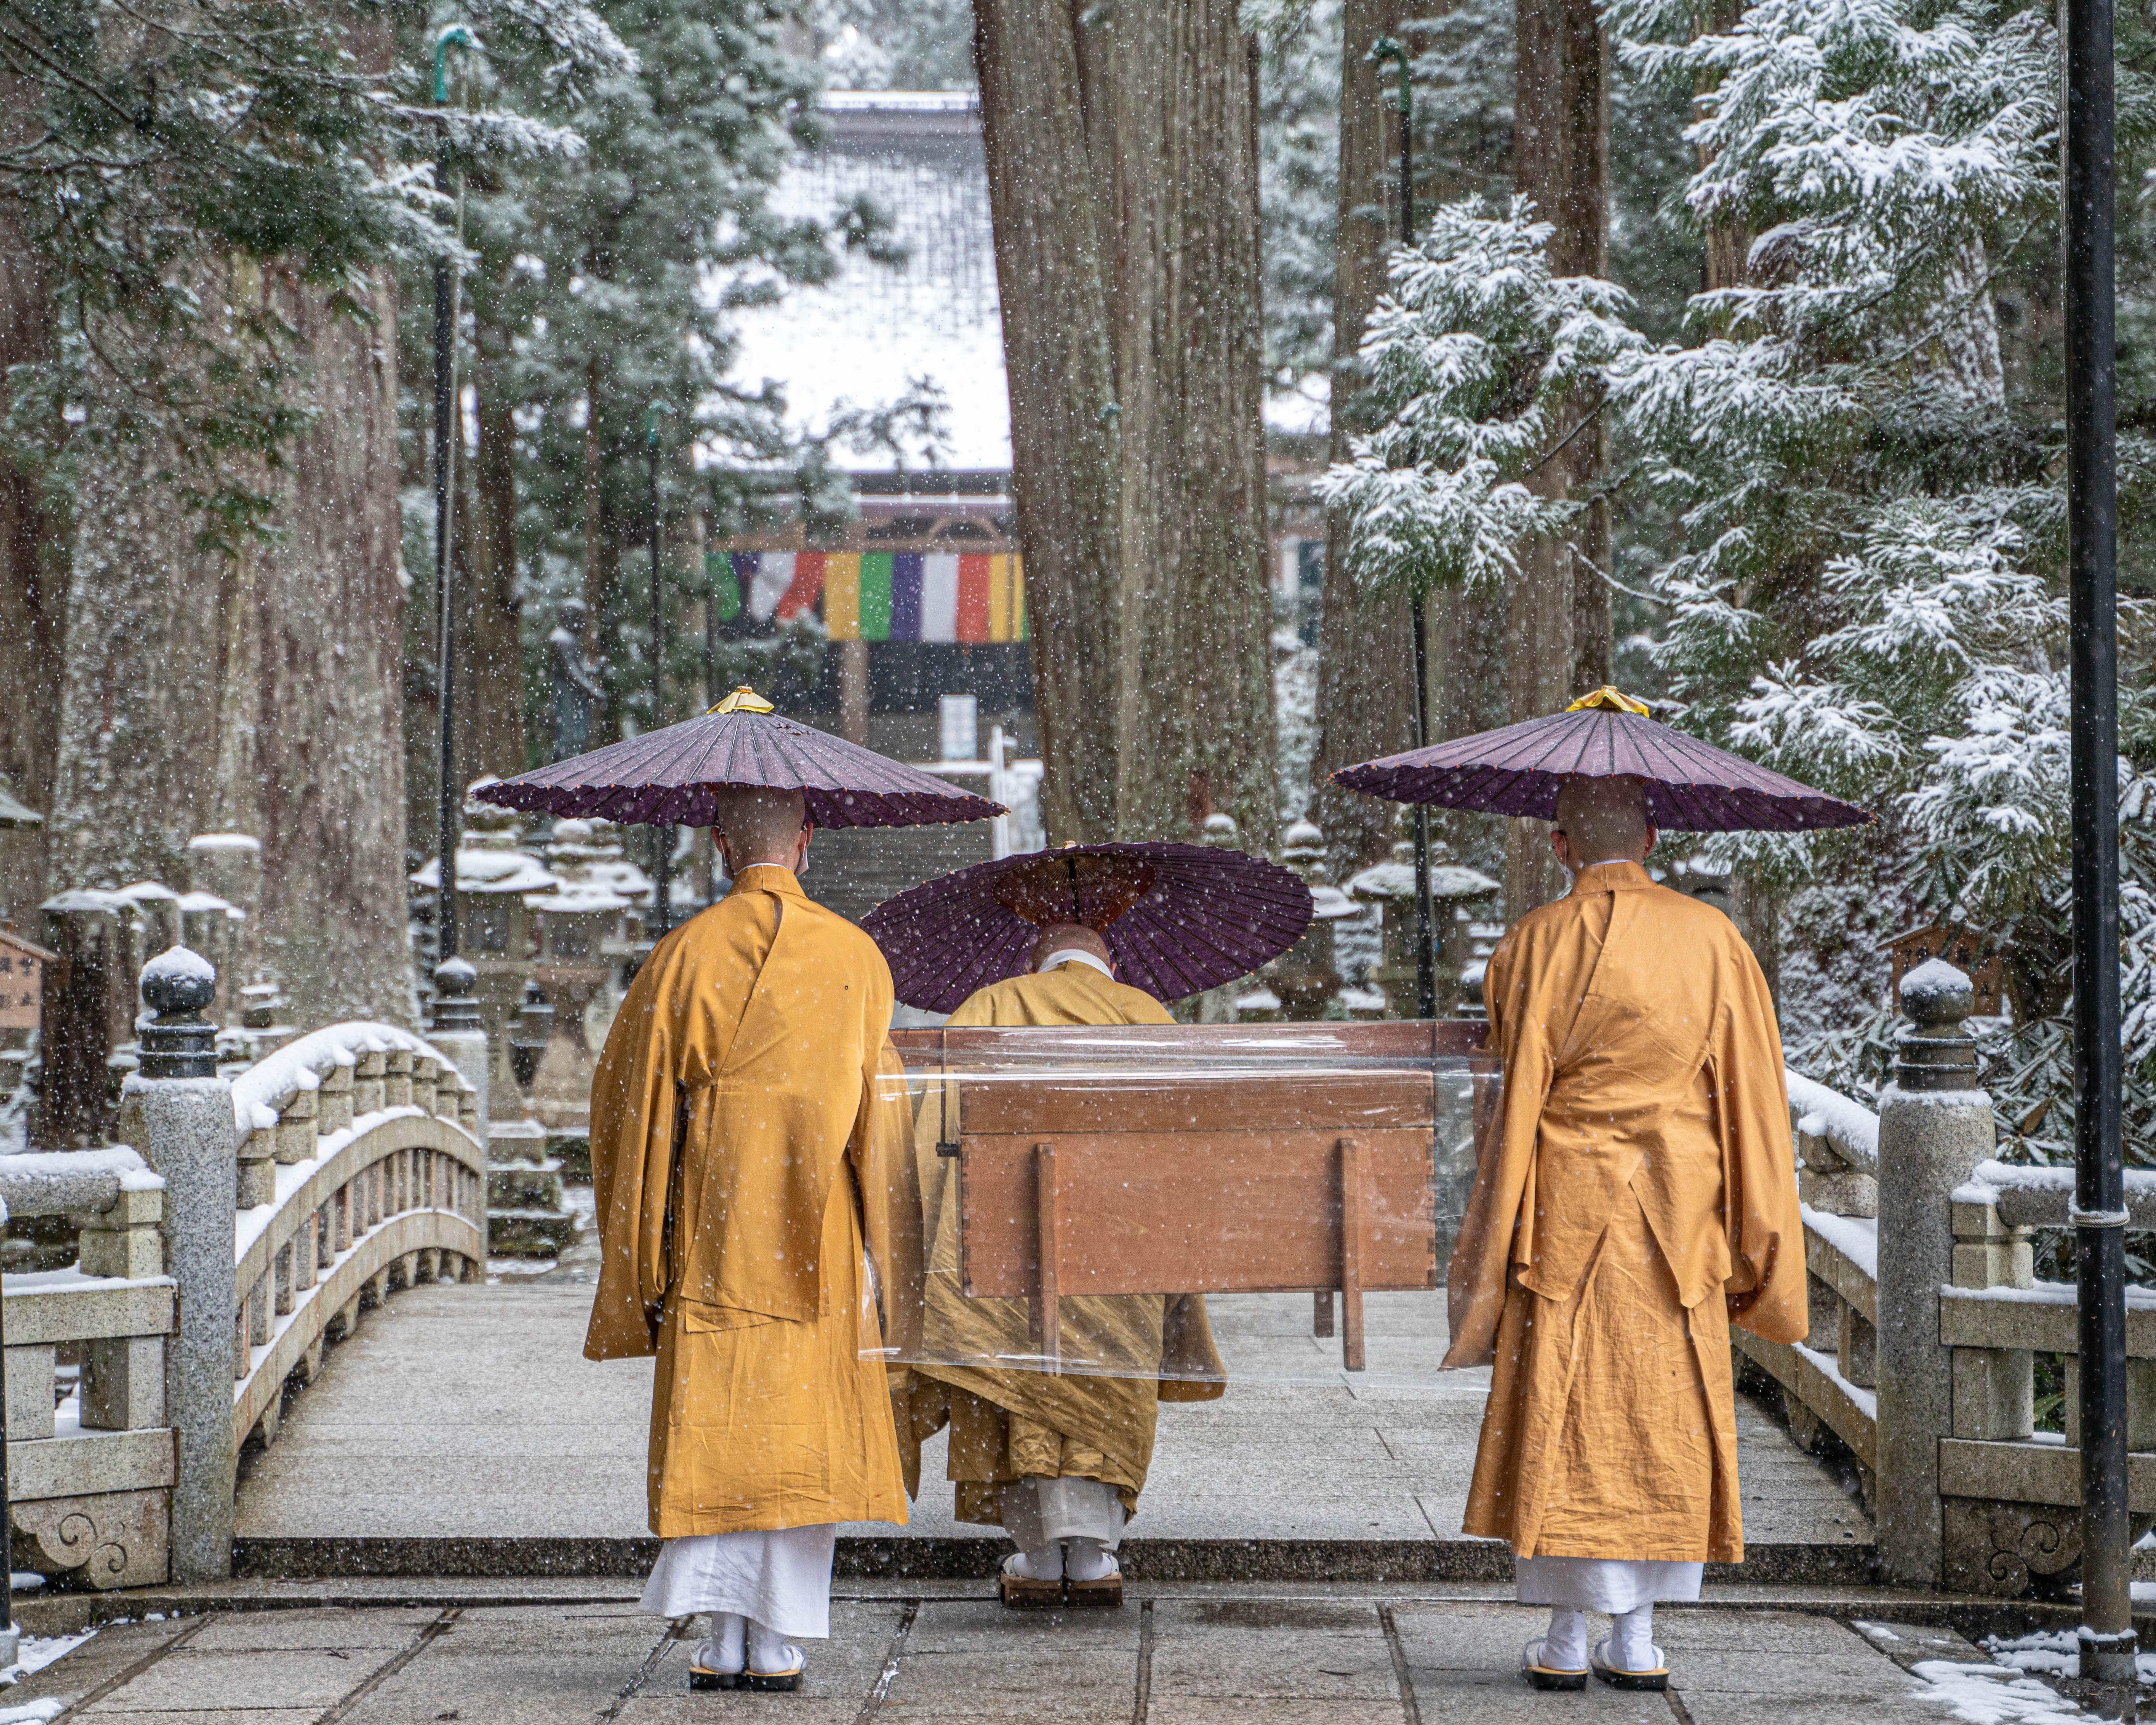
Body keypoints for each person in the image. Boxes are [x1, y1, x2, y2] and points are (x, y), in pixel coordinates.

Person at [1443, 774, 1804, 1693]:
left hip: (1564, 1209)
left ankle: (1567, 1636)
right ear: (1650, 839)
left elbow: (1507, 1077)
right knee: (1659, 1411)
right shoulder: (1713, 939)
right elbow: (1753, 1099)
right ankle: (1635, 1637)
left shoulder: (1533, 941)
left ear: (1559, 848)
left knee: (1563, 1405)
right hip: (1678, 1212)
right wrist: (1761, 1240)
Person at [584, 785, 922, 1693]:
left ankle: (720, 1637)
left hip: (714, 1224)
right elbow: (879, 1120)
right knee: (798, 1431)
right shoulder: (855, 958)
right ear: (806, 842)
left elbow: (629, 1111)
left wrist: (642, 1245)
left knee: (721, 1424)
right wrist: (893, 1249)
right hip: (817, 1226)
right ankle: (776, 1639)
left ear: (716, 843)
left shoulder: (682, 954)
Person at [903, 923, 1224, 1609]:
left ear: (1033, 959)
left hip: (1007, 1241)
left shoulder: (990, 1004)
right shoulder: (1145, 1013)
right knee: (1107, 1367)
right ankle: (1095, 1551)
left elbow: (935, 1132)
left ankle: (1040, 1555)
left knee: (1022, 1367)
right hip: (1122, 1242)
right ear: (1110, 961)